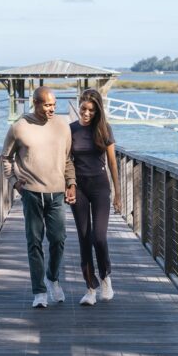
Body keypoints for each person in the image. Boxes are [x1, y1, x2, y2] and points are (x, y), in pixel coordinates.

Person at [2, 86, 77, 308]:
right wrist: (14, 182)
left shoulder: (63, 127)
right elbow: (6, 158)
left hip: (56, 193)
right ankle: (39, 291)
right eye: (47, 105)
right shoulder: (19, 127)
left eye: (54, 104)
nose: (52, 109)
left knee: (58, 239)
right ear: (35, 103)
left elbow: (67, 159)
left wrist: (71, 183)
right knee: (34, 242)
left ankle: (52, 277)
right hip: (31, 193)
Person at [69, 88, 121, 306]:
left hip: (100, 187)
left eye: (91, 110)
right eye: (83, 108)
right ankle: (90, 288)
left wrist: (118, 193)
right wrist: (69, 185)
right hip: (79, 188)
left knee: (99, 237)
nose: (86, 113)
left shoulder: (104, 129)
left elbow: (112, 163)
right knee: (84, 237)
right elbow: (66, 160)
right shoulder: (70, 130)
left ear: (97, 110)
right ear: (78, 106)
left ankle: (105, 277)